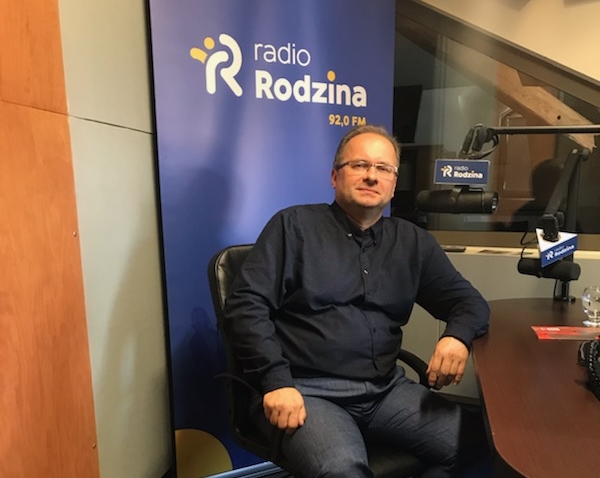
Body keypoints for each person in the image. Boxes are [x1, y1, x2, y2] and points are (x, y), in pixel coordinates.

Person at [223, 125, 492, 478]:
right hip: (307, 391)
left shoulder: (413, 242)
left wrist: (456, 336)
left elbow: (469, 302)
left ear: (393, 184)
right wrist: (276, 381)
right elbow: (245, 307)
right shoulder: (294, 226)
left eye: (383, 168)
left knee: (485, 445)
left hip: (385, 391)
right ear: (335, 176)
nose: (371, 176)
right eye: (359, 165)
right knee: (342, 471)